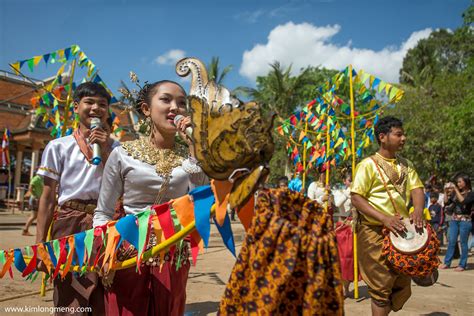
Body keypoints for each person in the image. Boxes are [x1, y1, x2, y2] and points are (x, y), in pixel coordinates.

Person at [93, 80, 207, 315]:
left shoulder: (191, 158)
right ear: (146, 109)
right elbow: (103, 211)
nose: (175, 107)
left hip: (173, 252)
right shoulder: (123, 154)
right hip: (127, 252)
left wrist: (197, 151)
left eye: (182, 103)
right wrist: (107, 251)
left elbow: (199, 204)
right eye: (166, 99)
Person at [36, 82, 118, 314]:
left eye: (102, 104)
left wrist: (106, 150)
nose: (96, 108)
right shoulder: (58, 146)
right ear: (75, 107)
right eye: (89, 102)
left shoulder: (118, 149)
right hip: (69, 222)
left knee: (105, 289)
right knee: (70, 291)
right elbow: (48, 197)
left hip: (107, 221)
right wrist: (40, 243)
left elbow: (124, 189)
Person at [351, 116, 425, 316]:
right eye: (399, 134)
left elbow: (417, 189)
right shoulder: (367, 165)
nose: (404, 138)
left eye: (403, 134)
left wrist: (417, 209)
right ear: (382, 137)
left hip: (402, 232)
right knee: (381, 288)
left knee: (401, 285)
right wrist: (384, 218)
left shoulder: (406, 165)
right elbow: (356, 198)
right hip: (374, 232)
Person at [439, 174, 474, 271]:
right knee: (451, 241)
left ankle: (462, 264)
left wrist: (455, 189)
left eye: (459, 182)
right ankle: (447, 262)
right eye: (457, 182)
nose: (458, 184)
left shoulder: (471, 194)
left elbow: (463, 201)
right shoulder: (455, 193)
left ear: (466, 182)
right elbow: (446, 202)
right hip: (454, 220)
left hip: (465, 221)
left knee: (463, 243)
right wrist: (445, 191)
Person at [22, 169, 43, 236]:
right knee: (34, 216)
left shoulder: (41, 179)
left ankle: (28, 230)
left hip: (39, 199)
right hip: (35, 199)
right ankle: (25, 230)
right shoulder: (36, 178)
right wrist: (35, 196)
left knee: (37, 216)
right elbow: (30, 188)